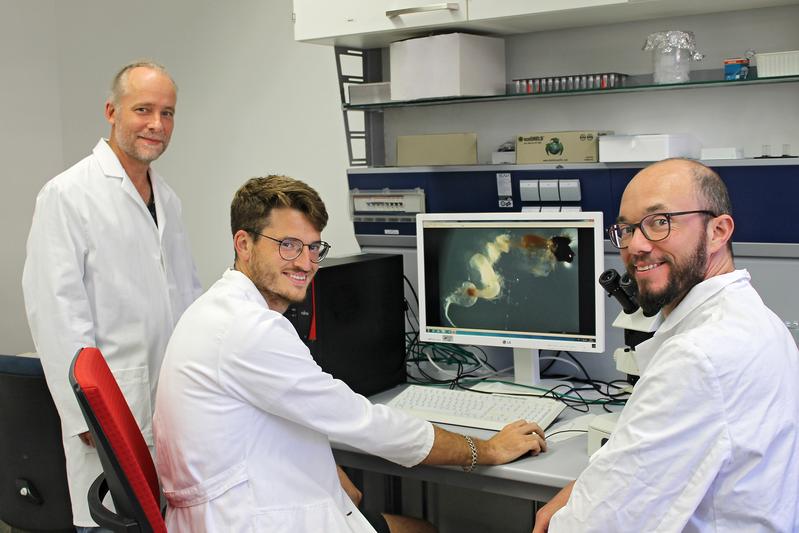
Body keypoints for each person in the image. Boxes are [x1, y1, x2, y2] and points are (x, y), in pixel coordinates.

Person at [153, 175, 547, 533]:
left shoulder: (217, 310)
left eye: (313, 248)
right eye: (288, 245)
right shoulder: (248, 329)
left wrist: (333, 475)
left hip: (232, 504)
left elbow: (281, 418)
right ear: (244, 243)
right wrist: (486, 449)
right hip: (250, 518)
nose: (306, 263)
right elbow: (366, 424)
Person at [533, 158, 799, 532]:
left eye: (660, 222)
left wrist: (576, 505)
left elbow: (592, 527)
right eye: (626, 229)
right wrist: (584, 488)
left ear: (718, 231)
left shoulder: (698, 355)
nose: (636, 246)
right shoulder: (758, 320)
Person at [22, 60, 202, 530]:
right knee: (111, 520)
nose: (156, 125)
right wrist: (84, 414)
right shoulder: (67, 194)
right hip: (108, 410)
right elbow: (54, 309)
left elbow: (187, 297)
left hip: (169, 405)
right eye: (143, 109)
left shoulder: (169, 200)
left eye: (168, 113)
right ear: (111, 111)